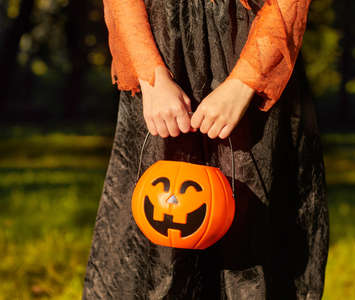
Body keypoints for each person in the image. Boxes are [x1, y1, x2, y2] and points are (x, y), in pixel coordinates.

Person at [82, 0, 329, 299]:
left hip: (251, 46)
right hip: (162, 48)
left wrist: (244, 83)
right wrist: (152, 76)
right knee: (154, 248)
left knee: (254, 238)